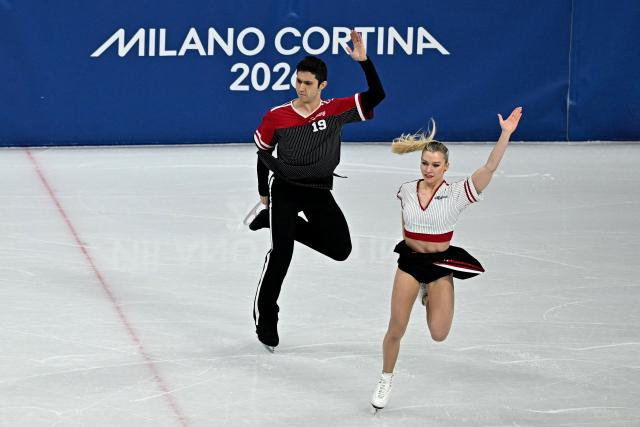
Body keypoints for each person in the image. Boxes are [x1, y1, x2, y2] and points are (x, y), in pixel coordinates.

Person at [371, 107, 523, 409]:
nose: (428, 169)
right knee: (396, 328)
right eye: (425, 163)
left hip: (440, 266)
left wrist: (505, 133)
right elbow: (405, 223)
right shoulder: (406, 190)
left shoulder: (457, 194)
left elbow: (489, 168)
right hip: (411, 264)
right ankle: (386, 378)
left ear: (446, 167)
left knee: (439, 334)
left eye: (435, 165)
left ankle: (429, 293)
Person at [250, 30, 386, 351]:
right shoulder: (276, 116)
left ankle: (279, 223)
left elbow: (377, 95)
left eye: (308, 83)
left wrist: (364, 62)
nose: (301, 87)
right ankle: (267, 317)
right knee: (281, 255)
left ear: (322, 85)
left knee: (340, 249)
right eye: (298, 81)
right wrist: (263, 193)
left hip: (318, 190)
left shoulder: (336, 110)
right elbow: (264, 154)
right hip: (284, 188)